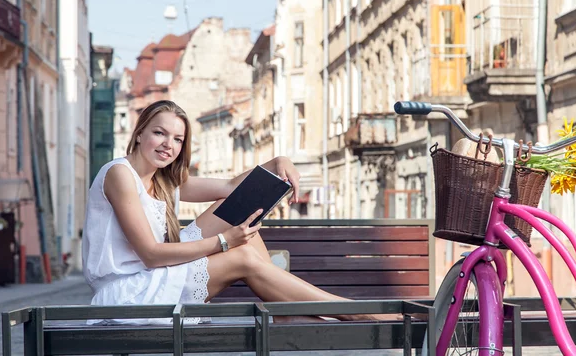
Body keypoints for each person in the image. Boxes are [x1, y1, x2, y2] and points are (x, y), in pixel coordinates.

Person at [82, 100, 381, 325]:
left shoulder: (162, 180)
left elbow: (229, 187)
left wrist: (277, 162)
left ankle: (289, 311)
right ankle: (353, 312)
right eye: (159, 133)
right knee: (242, 253)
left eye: (177, 139)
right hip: (130, 292)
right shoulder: (120, 174)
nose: (168, 145)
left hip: (152, 277)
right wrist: (225, 241)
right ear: (138, 134)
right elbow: (150, 254)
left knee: (240, 214)